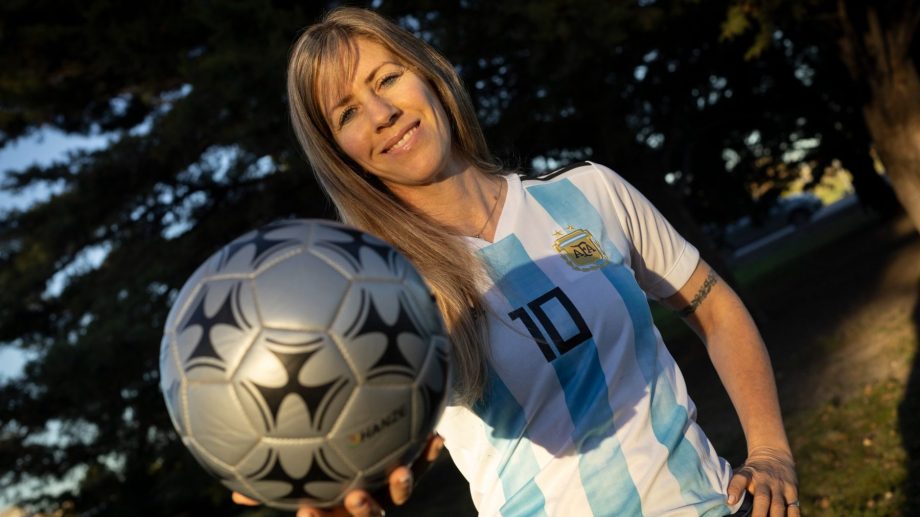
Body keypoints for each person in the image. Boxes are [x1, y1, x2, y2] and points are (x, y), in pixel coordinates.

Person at [235, 7, 799, 517]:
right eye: (347, 113)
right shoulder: (385, 296)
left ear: (428, 73)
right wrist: (341, 481)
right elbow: (376, 443)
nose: (382, 113)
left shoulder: (589, 192)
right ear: (340, 154)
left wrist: (770, 449)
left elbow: (713, 307)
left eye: (386, 78)